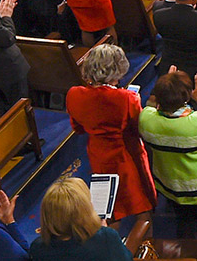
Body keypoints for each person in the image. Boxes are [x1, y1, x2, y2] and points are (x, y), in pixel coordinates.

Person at [67, 43, 156, 223]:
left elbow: (78, 128)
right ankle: (147, 245)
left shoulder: (74, 94)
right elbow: (139, 128)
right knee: (141, 202)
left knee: (108, 207)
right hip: (126, 156)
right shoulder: (127, 98)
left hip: (98, 155)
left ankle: (109, 245)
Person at [137, 67, 197, 238]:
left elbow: (150, 105)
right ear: (187, 96)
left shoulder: (146, 119)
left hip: (173, 187)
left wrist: (166, 84)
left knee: (185, 224)